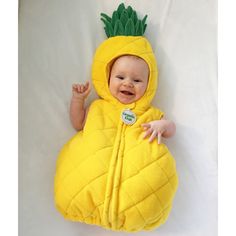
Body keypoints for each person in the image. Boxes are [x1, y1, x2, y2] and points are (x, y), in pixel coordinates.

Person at [70, 54, 176, 144]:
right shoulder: (98, 106)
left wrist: (163, 125)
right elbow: (78, 123)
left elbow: (171, 129)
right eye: (120, 77)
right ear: (108, 79)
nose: (128, 83)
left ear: (148, 85)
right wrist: (78, 100)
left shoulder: (149, 113)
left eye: (137, 80)